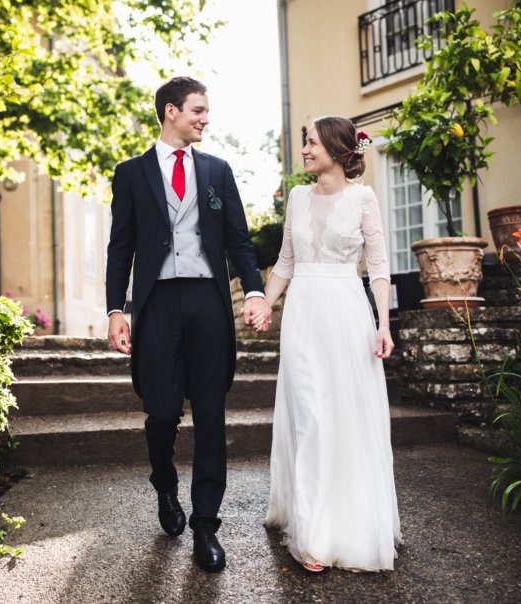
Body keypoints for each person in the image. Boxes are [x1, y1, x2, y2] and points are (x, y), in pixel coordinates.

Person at [105, 76, 267, 572]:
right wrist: (116, 309)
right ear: (171, 111)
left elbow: (239, 239)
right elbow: (122, 246)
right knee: (160, 411)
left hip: (206, 301)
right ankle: (164, 485)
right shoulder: (131, 173)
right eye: (197, 110)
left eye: (206, 110)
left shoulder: (217, 171)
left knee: (212, 414)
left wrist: (255, 290)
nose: (205, 118)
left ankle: (205, 526)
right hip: (156, 303)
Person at [254, 116, 402, 573]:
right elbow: (285, 262)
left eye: (311, 142)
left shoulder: (363, 198)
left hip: (347, 314)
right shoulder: (297, 198)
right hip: (302, 316)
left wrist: (384, 324)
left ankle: (344, 523)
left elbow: (377, 266)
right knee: (310, 416)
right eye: (304, 143)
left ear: (338, 150)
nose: (304, 150)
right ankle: (313, 531)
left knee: (345, 417)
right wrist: (265, 303)